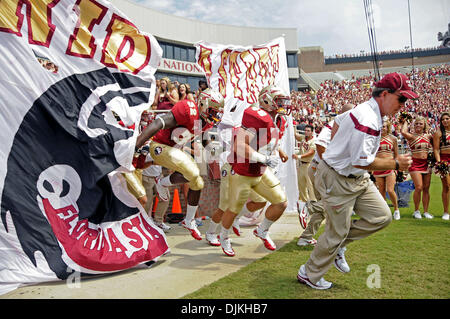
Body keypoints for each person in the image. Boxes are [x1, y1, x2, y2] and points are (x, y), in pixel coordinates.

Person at [296, 72, 415, 290]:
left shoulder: (368, 111)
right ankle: (309, 274)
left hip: (354, 178)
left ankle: (338, 246)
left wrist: (338, 149)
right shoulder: (367, 117)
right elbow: (362, 161)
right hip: (339, 178)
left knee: (381, 216)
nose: (403, 105)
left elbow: (337, 124)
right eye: (402, 99)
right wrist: (395, 164)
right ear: (385, 94)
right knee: (335, 233)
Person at [136, 88, 225, 241]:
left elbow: (206, 142)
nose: (214, 116)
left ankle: (189, 220)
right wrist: (136, 145)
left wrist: (218, 152)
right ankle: (162, 183)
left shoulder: (203, 123)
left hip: (174, 151)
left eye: (216, 112)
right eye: (212, 111)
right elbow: (159, 122)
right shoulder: (188, 109)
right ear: (203, 104)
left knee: (198, 182)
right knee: (193, 171)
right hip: (159, 146)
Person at [217, 85, 290, 257]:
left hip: (260, 170)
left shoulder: (277, 119)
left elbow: (268, 140)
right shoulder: (257, 116)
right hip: (243, 171)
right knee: (233, 209)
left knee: (280, 202)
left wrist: (278, 151)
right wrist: (264, 158)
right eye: (279, 101)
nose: (283, 104)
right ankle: (224, 237)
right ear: (266, 100)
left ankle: (262, 230)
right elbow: (239, 145)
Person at [296, 103, 355, 247]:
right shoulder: (335, 123)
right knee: (332, 202)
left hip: (318, 168)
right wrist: (329, 167)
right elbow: (320, 144)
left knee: (325, 208)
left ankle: (306, 237)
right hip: (321, 170)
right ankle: (308, 207)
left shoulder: (345, 125)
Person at [400, 115, 433, 219]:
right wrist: (406, 120)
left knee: (426, 188)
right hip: (415, 164)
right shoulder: (412, 136)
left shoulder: (429, 137)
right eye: (416, 124)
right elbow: (403, 132)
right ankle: (416, 210)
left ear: (424, 126)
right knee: (419, 187)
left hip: (426, 164)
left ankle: (426, 211)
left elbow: (437, 144)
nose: (418, 125)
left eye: (420, 124)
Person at [373, 119, 401, 220]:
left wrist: (397, 167)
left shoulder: (393, 139)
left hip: (390, 166)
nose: (382, 128)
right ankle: (384, 212)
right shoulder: (374, 138)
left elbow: (397, 155)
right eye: (380, 126)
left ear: (387, 127)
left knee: (390, 190)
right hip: (378, 166)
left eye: (384, 126)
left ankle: (396, 210)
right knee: (381, 191)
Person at [432, 112, 450, 220]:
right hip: (444, 161)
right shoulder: (438, 133)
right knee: (447, 186)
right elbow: (436, 149)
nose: (445, 121)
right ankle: (446, 212)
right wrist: (439, 162)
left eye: (447, 118)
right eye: (443, 119)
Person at [293, 124, 316, 204]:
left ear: (312, 132)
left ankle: (314, 203)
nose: (306, 132)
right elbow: (295, 136)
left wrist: (299, 156)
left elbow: (311, 152)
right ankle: (305, 202)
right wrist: (293, 126)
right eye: (305, 130)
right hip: (302, 165)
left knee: (310, 185)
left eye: (308, 131)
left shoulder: (314, 141)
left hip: (309, 165)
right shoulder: (303, 138)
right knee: (301, 184)